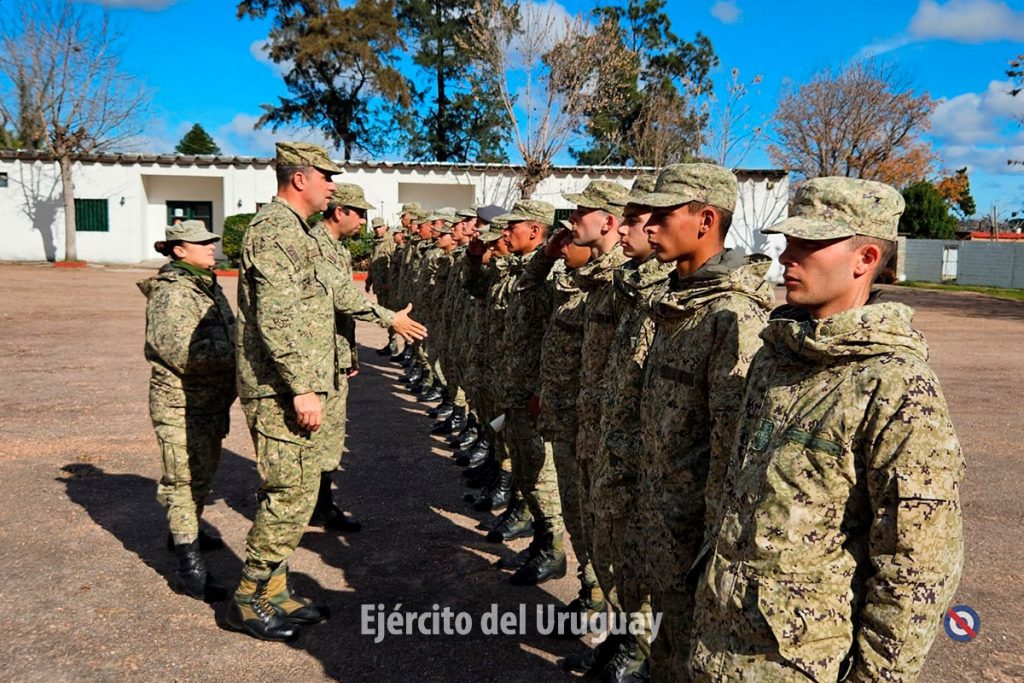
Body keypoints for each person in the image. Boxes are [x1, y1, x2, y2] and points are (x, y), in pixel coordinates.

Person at [689, 177, 965, 682]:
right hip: (716, 641)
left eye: (808, 245)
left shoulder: (895, 385)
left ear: (865, 258)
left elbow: (917, 564)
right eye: (789, 241)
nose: (786, 257)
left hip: (798, 663)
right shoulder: (776, 356)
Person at [636, 163, 774, 681]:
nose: (649, 227)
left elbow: (731, 449)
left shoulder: (733, 316)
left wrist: (711, 550)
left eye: (663, 215)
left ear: (705, 220)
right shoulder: (676, 299)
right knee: (663, 648)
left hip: (695, 540)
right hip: (661, 521)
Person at [229, 141, 343, 642]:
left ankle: (274, 589)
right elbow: (277, 318)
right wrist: (302, 388)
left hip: (294, 384)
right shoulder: (274, 230)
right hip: (280, 389)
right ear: (300, 178)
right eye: (326, 176)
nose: (332, 186)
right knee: (289, 493)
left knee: (293, 489)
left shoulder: (297, 230)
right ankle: (246, 598)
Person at [308, 184, 427, 535]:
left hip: (332, 353)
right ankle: (304, 507)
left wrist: (349, 354)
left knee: (329, 437)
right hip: (316, 358)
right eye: (359, 213)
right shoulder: (316, 246)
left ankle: (320, 504)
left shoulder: (336, 247)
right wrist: (390, 319)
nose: (363, 220)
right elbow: (343, 298)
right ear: (339, 211)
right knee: (316, 437)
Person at [138, 220, 236, 603]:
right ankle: (188, 569)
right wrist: (242, 352)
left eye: (211, 241)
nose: (211, 247)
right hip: (180, 403)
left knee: (202, 472)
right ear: (179, 250)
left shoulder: (205, 283)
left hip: (208, 401)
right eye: (202, 243)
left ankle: (184, 531)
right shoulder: (173, 292)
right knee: (182, 479)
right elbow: (182, 353)